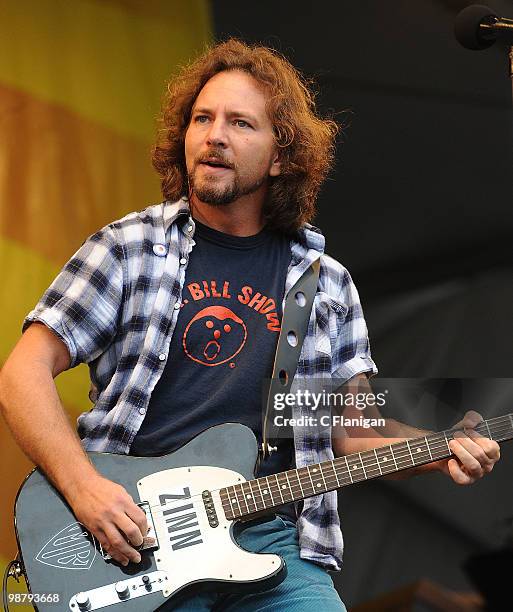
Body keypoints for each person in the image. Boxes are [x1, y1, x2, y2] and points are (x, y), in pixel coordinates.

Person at [0, 39, 500, 611]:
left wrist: (436, 449)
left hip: (272, 542)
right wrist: (84, 489)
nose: (215, 135)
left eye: (240, 123)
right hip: (129, 535)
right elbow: (22, 373)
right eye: (202, 118)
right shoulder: (127, 248)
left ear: (282, 156)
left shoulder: (325, 283)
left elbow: (352, 430)